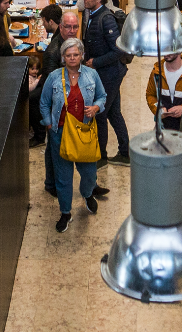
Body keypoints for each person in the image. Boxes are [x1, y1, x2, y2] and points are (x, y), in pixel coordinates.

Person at [39, 37, 107, 232]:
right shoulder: (53, 77)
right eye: (68, 55)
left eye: (76, 54)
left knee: (89, 173)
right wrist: (49, 124)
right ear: (63, 57)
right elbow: (44, 103)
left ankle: (87, 194)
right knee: (63, 176)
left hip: (84, 133)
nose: (72, 58)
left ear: (82, 55)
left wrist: (96, 107)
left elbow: (102, 96)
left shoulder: (92, 75)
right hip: (60, 135)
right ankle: (65, 212)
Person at [80, 0, 130, 165]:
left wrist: (96, 62)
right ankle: (125, 152)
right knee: (114, 112)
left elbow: (119, 50)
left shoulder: (105, 19)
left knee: (100, 113)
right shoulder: (93, 14)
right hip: (106, 73)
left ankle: (101, 156)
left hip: (109, 74)